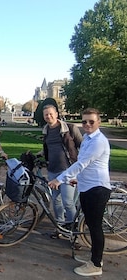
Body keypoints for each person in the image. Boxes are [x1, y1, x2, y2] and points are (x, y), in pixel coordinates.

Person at [48, 108, 111, 277]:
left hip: (97, 189)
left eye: (91, 121)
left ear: (99, 122)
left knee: (95, 227)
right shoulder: (88, 139)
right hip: (87, 186)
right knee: (91, 225)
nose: (87, 125)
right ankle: (95, 258)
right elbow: (87, 166)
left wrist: (59, 179)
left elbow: (80, 164)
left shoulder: (98, 141)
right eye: (84, 122)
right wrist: (78, 179)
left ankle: (96, 264)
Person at [39, 104, 83, 237]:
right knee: (56, 201)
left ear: (56, 114)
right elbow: (49, 148)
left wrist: (80, 166)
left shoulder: (69, 128)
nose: (49, 116)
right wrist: (37, 154)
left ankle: (73, 231)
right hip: (52, 170)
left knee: (68, 202)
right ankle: (60, 228)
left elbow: (82, 146)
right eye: (46, 114)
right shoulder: (46, 130)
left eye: (51, 114)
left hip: (68, 170)